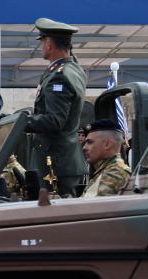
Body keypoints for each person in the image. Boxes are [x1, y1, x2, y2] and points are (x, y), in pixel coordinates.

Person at [25, 18, 88, 197]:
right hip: (62, 160)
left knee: (60, 218)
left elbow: (54, 121)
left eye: (42, 42)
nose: (41, 47)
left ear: (50, 44)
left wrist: (21, 122)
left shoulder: (59, 76)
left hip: (55, 163)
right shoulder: (73, 69)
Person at [81, 119, 131, 197]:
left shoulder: (115, 173)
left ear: (107, 144)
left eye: (90, 142)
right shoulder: (105, 170)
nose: (84, 147)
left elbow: (88, 207)